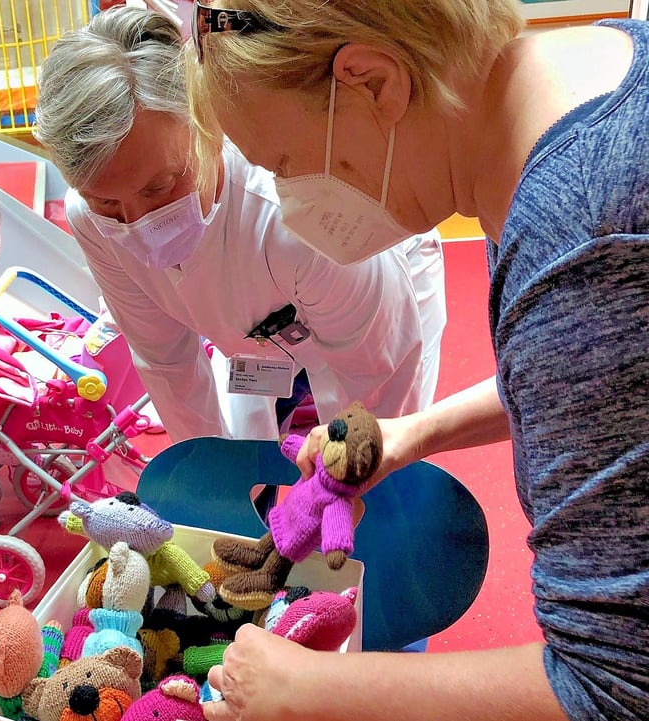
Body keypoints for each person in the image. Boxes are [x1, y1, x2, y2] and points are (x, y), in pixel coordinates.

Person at [185, 1, 649, 719]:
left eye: (285, 164)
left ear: (372, 83)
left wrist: (307, 690)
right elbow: (602, 382)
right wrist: (419, 430)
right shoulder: (588, 80)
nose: (291, 201)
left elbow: (614, 686)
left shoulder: (581, 232)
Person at [33, 6, 447, 444]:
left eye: (162, 187)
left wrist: (351, 479)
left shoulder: (297, 212)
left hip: (372, 309)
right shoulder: (90, 220)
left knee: (370, 470)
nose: (139, 225)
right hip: (255, 346)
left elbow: (374, 384)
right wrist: (208, 482)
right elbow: (166, 361)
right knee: (241, 464)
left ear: (207, 122)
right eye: (108, 203)